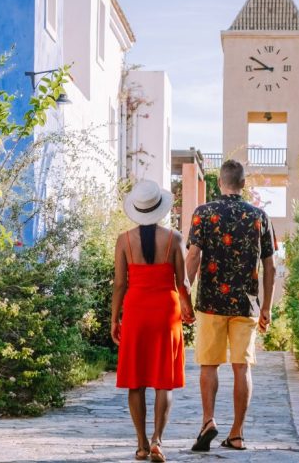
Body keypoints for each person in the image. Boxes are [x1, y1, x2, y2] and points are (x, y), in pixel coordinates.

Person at [185, 159, 276, 451]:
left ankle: (208, 421)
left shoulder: (203, 213)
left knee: (209, 365)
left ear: (219, 182)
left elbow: (193, 257)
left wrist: (183, 296)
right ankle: (236, 434)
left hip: (210, 302)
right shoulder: (259, 216)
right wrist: (268, 307)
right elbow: (270, 267)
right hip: (246, 305)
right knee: (242, 368)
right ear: (243, 184)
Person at [111, 179, 195, 462]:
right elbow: (182, 281)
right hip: (165, 311)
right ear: (160, 209)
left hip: (135, 311)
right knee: (163, 380)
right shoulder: (175, 239)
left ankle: (141, 444)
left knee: (136, 380)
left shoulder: (124, 240)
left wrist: (114, 319)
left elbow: (120, 285)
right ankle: (158, 440)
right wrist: (188, 308)